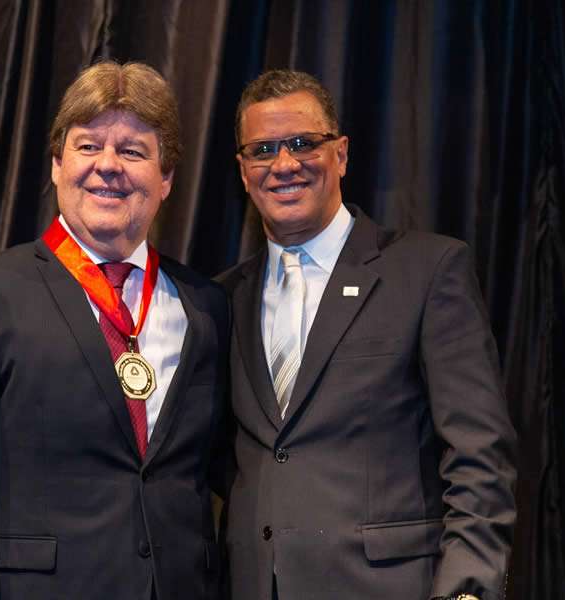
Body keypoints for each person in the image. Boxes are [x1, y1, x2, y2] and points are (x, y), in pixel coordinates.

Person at [0, 61, 228, 600]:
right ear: (57, 165)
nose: (108, 165)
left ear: (166, 178)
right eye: (87, 146)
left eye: (133, 151)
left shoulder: (206, 306)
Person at [218, 70, 517, 600]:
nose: (284, 164)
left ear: (341, 154)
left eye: (303, 144)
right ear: (243, 172)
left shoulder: (427, 270)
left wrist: (467, 589)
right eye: (262, 150)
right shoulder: (221, 299)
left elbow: (480, 453)